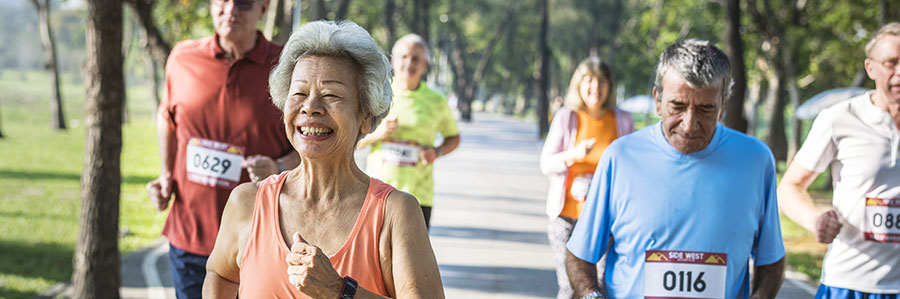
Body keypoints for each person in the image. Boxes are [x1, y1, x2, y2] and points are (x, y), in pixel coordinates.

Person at [202, 20, 444, 298]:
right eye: (299, 93)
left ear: (365, 115)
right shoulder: (246, 202)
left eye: (331, 95)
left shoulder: (395, 214)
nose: (311, 107)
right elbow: (219, 273)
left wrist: (338, 291)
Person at [565, 40, 786, 299]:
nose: (689, 125)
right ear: (658, 99)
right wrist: (591, 296)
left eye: (705, 109)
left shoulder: (756, 161)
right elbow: (580, 254)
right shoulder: (621, 157)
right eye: (677, 106)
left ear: (724, 105)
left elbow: (771, 259)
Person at [144, 0, 299, 297]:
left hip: (259, 241)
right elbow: (167, 116)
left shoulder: (287, 66)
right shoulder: (182, 57)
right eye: (222, 1)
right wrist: (165, 174)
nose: (231, 10)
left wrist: (279, 167)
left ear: (263, 9)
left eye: (243, 3)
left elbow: (309, 142)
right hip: (190, 236)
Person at [778, 22, 900, 298]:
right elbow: (789, 188)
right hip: (850, 283)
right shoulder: (840, 118)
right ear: (870, 68)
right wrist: (815, 219)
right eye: (891, 63)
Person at [539, 56, 634, 299]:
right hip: (567, 218)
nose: (596, 88)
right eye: (589, 81)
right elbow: (546, 164)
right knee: (569, 286)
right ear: (578, 85)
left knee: (598, 286)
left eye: (602, 81)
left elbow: (632, 167)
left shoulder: (622, 120)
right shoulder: (567, 117)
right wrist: (573, 155)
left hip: (605, 220)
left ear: (610, 86)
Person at [357, 33, 460, 229]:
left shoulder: (436, 100)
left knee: (412, 257)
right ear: (392, 61)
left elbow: (453, 138)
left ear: (425, 65)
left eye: (416, 58)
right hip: (378, 190)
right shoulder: (377, 95)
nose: (409, 63)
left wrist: (436, 152)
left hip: (418, 194)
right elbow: (355, 140)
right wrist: (379, 134)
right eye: (403, 57)